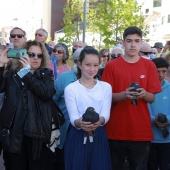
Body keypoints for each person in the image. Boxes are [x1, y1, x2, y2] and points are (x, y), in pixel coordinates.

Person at [101, 26, 161, 170]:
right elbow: (105, 97)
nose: (133, 44)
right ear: (123, 43)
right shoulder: (111, 66)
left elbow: (152, 98)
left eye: (136, 41)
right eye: (129, 41)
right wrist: (124, 95)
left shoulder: (149, 65)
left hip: (141, 131)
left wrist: (143, 94)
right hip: (116, 130)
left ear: (141, 42)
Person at [0, 40, 56, 170]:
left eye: (39, 55)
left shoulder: (46, 74)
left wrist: (27, 74)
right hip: (14, 134)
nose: (35, 58)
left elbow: (46, 93)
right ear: (23, 55)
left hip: (37, 135)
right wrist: (1, 65)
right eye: (31, 54)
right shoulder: (12, 74)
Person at [64, 47, 112, 170]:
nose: (92, 69)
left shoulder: (106, 87)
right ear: (79, 64)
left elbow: (106, 113)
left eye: (96, 65)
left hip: (99, 135)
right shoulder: (71, 88)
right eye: (87, 65)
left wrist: (99, 121)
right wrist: (81, 123)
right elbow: (73, 117)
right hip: (77, 135)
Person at [53, 47, 83, 170]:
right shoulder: (64, 78)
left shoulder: (96, 80)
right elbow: (53, 100)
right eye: (77, 61)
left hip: (86, 132)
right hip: (65, 129)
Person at [147, 57, 170, 170]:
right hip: (149, 138)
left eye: (163, 71)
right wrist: (153, 120)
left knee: (165, 166)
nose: (161, 74)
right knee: (151, 166)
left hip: (167, 139)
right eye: (157, 71)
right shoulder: (146, 90)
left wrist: (167, 120)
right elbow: (144, 111)